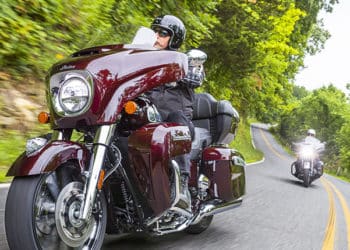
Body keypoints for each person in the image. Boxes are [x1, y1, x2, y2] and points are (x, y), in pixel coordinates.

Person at [146, 15, 202, 210]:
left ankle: (183, 186)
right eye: (155, 32)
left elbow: (196, 77)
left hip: (177, 121)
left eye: (163, 33)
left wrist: (182, 75)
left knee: (175, 122)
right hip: (150, 120)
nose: (157, 36)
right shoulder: (144, 63)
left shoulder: (183, 62)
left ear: (174, 38)